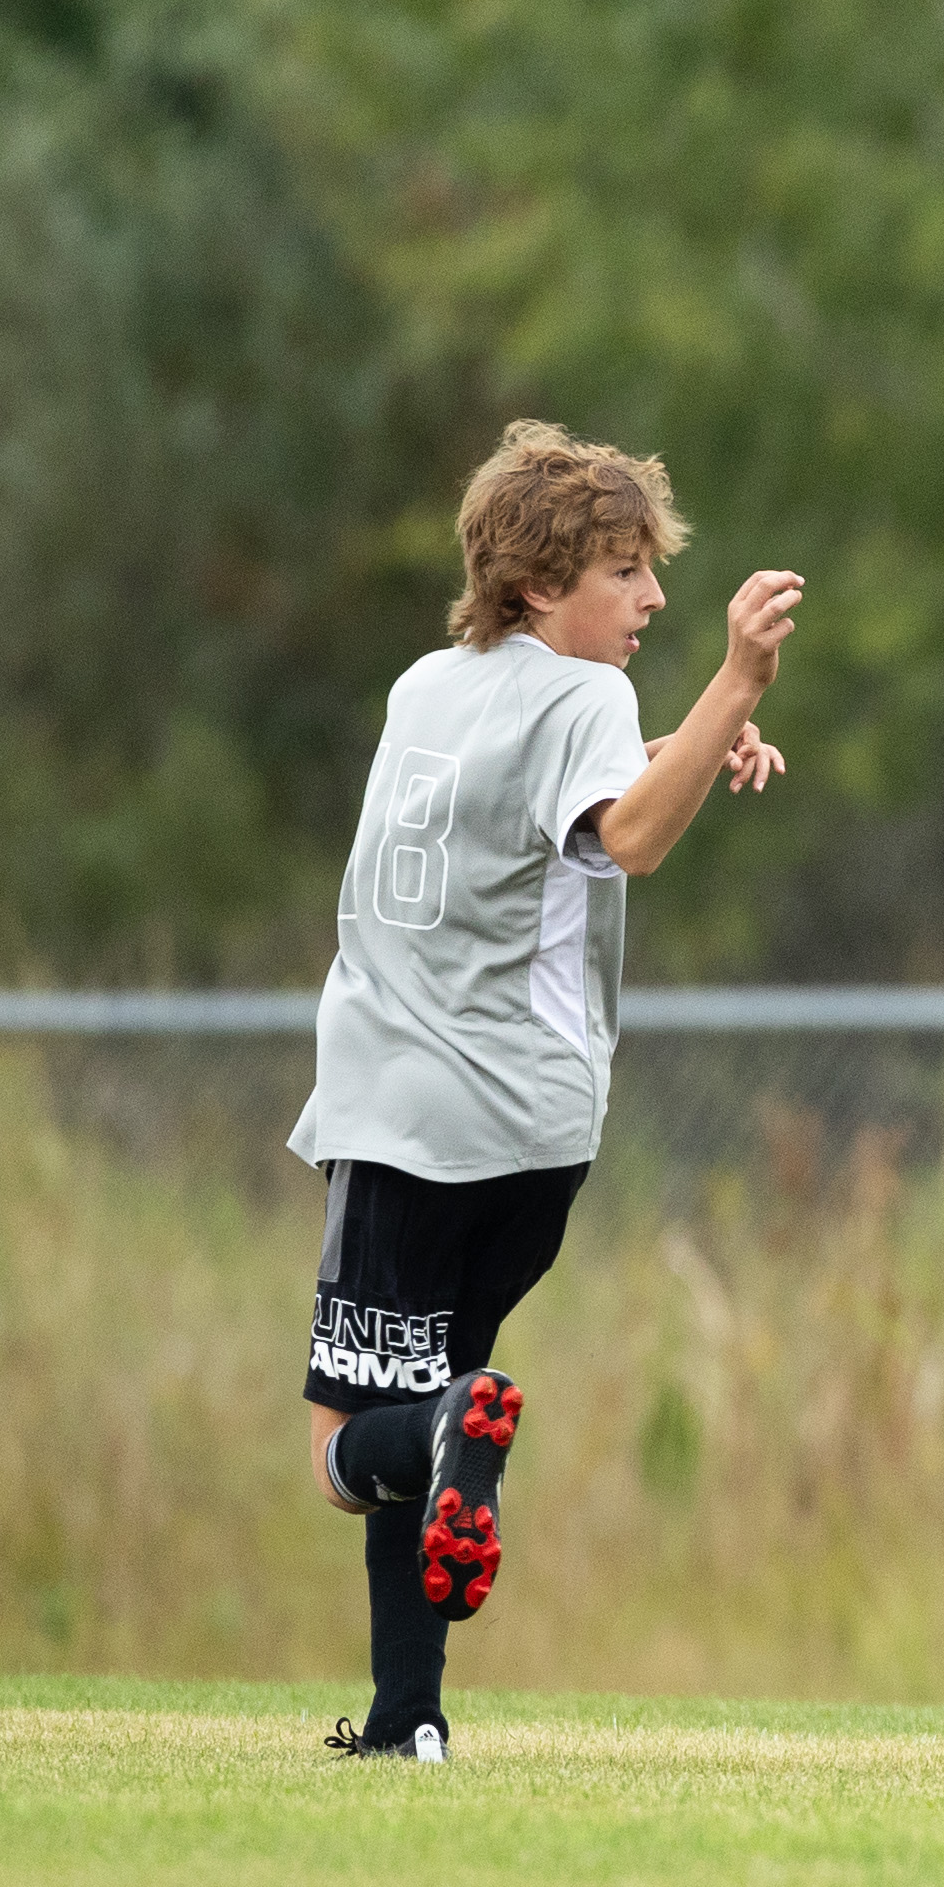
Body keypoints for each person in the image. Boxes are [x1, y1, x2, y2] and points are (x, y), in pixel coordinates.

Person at [295, 422, 799, 1763]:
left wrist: (719, 704)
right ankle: (407, 1719)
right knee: (432, 1418)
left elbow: (615, 830)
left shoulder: (424, 689)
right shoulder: (583, 706)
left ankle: (448, 1444)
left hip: (411, 1120)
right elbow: (604, 815)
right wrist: (723, 704)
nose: (655, 598)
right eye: (625, 571)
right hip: (535, 1138)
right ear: (534, 583)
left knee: (353, 1447)